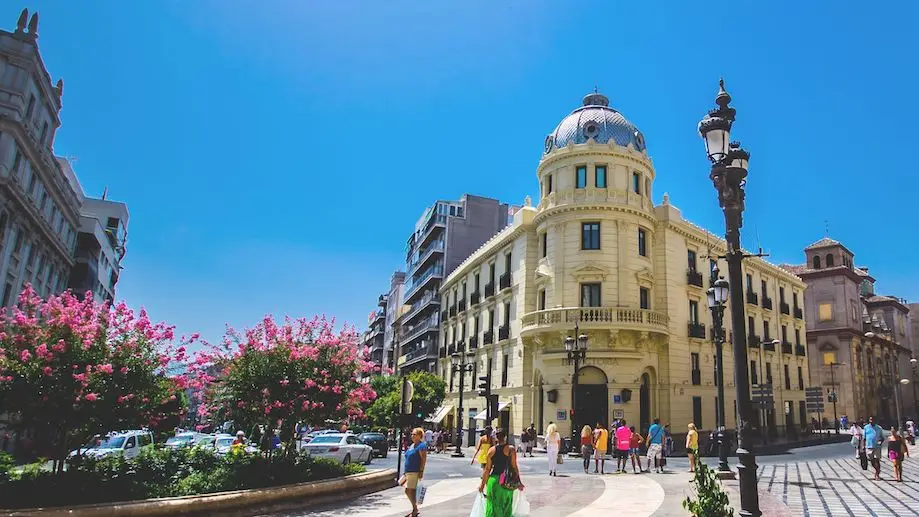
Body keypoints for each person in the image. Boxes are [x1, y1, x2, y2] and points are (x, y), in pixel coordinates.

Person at [478, 428, 523, 517]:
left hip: (494, 481)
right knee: (506, 507)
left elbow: (487, 469)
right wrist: (519, 483)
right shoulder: (511, 450)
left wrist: (482, 485)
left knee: (493, 507)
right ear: (505, 437)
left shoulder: (491, 451)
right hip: (506, 482)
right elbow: (514, 467)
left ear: (496, 438)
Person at [399, 427, 427, 517]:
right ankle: (414, 509)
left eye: (415, 434)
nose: (412, 436)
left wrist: (421, 471)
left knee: (409, 491)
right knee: (410, 491)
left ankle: (415, 509)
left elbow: (423, 459)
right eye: (412, 434)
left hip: (414, 471)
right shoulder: (412, 445)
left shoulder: (421, 446)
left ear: (420, 436)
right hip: (408, 472)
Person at [864, 416, 884, 480]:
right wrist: (862, 446)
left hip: (877, 447)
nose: (871, 421)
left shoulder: (879, 428)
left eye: (872, 419)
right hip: (869, 446)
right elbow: (864, 438)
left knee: (877, 460)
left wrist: (880, 442)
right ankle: (877, 470)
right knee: (871, 461)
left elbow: (882, 438)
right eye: (870, 419)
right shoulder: (866, 427)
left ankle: (877, 474)